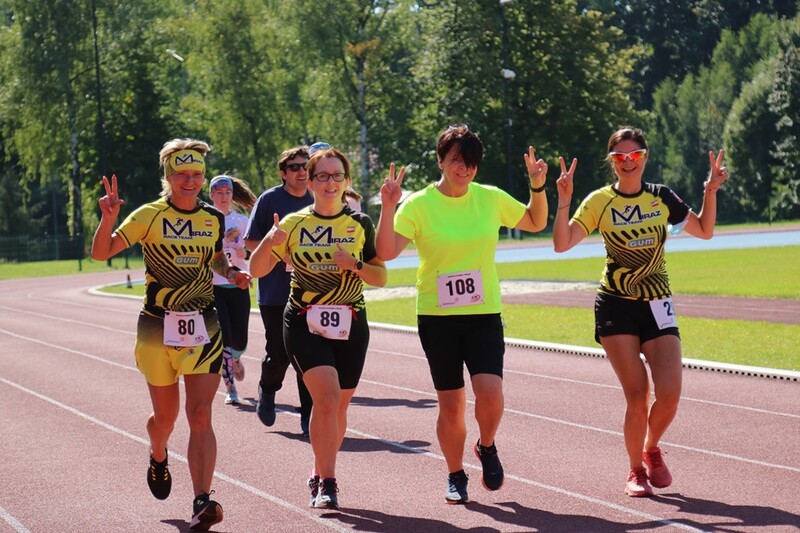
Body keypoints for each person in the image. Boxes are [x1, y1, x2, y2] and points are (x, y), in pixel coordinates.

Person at [552, 126, 730, 497]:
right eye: (619, 157)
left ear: (645, 156)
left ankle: (651, 447)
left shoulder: (662, 197)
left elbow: (705, 230)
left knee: (670, 395)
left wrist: (710, 191)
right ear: (612, 162)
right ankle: (635, 470)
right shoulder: (599, 200)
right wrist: (564, 200)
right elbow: (562, 243)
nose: (627, 162)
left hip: (657, 301)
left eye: (634, 155)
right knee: (638, 395)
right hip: (616, 304)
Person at [376, 124, 549, 504]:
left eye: (471, 162)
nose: (465, 169)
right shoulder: (419, 204)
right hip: (437, 317)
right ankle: (455, 473)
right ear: (440, 161)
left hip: (483, 313)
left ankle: (486, 446)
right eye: (457, 160)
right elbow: (386, 252)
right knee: (452, 404)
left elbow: (536, 222)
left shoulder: (490, 198)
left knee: (491, 395)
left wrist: (537, 187)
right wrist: (388, 207)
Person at [91, 139, 251, 530]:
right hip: (156, 328)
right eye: (183, 174)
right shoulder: (149, 215)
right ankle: (158, 451)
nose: (191, 181)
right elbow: (101, 252)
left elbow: (216, 258)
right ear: (169, 176)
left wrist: (232, 274)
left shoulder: (213, 218)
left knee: (200, 414)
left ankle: (201, 499)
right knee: (166, 417)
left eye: (197, 174)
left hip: (204, 325)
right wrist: (109, 217)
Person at [249, 147, 387, 510]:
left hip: (351, 323)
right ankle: (327, 482)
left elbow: (381, 276)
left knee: (339, 407)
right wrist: (270, 242)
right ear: (309, 182)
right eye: (322, 176)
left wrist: (354, 264)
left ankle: (318, 468)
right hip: (303, 321)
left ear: (346, 182)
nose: (330, 182)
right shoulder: (294, 224)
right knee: (324, 399)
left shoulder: (361, 223)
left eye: (337, 176)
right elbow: (257, 268)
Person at [244, 147, 314, 434]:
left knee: (309, 357)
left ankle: (308, 417)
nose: (301, 172)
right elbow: (250, 243)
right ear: (283, 172)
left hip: (313, 292)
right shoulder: (270, 200)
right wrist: (276, 248)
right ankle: (268, 388)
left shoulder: (318, 198)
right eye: (295, 167)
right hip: (275, 293)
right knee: (279, 353)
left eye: (306, 167)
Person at [208, 174, 257, 405]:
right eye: (219, 193)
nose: (224, 197)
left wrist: (242, 253)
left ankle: (236, 358)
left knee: (239, 339)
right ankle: (230, 388)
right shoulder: (206, 220)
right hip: (214, 287)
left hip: (238, 285)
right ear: (211, 196)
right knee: (224, 337)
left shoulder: (242, 222)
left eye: (228, 193)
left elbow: (254, 250)